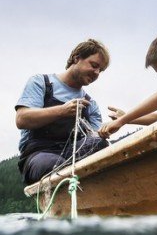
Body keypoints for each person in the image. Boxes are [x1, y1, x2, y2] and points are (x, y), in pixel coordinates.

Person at [15, 39, 111, 185]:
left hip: (74, 154)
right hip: (38, 155)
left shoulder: (90, 103)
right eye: (94, 65)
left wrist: (109, 128)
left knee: (101, 143)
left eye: (101, 70)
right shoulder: (40, 83)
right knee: (55, 164)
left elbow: (95, 137)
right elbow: (22, 119)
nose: (97, 73)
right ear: (76, 58)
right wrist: (62, 111)